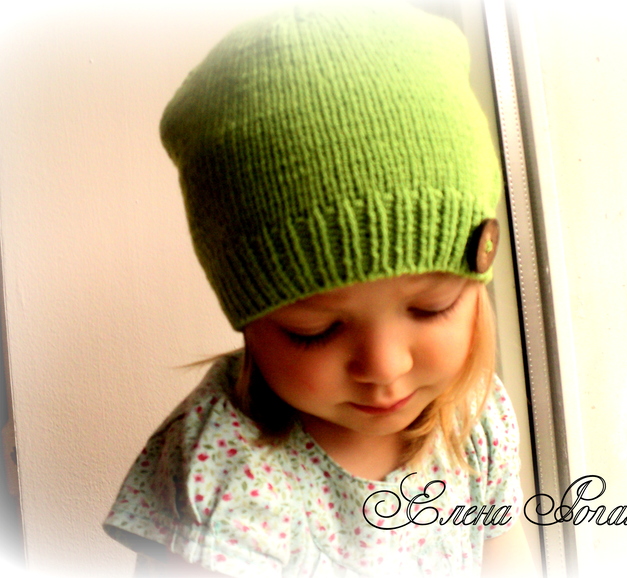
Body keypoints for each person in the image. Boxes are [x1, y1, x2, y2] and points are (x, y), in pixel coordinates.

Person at [104, 3, 534, 576]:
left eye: (432, 308)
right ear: (247, 315)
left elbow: (504, 552)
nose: (384, 366)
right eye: (316, 331)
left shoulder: (472, 415)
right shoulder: (226, 471)